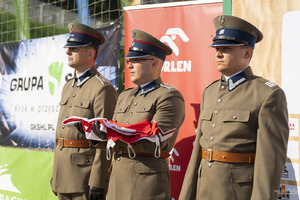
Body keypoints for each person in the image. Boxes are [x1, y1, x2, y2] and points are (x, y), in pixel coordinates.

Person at [179, 15, 289, 200]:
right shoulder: (210, 92)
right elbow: (198, 152)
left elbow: (269, 164)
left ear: (247, 53)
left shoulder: (267, 95)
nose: (218, 54)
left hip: (237, 193)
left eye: (226, 49)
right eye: (217, 49)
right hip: (204, 189)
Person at [90, 29, 185, 200]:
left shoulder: (168, 96)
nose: (129, 65)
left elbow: (155, 141)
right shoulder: (126, 95)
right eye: (128, 61)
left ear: (154, 63)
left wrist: (112, 135)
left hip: (145, 187)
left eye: (136, 60)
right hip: (117, 185)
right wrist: (96, 133)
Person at [51, 23, 117, 200]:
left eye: (74, 48)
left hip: (85, 178)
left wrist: (98, 180)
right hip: (62, 173)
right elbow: (60, 135)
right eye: (68, 48)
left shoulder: (102, 88)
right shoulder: (67, 86)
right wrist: (56, 173)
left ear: (90, 53)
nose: (68, 52)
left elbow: (106, 138)